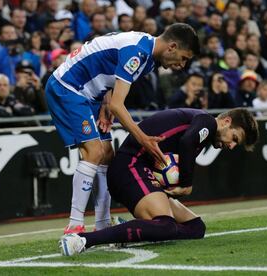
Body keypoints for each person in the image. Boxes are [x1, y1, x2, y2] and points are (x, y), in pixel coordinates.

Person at [45, 23, 200, 234]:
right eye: (183, 58)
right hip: (68, 87)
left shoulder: (148, 56)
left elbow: (109, 73)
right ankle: (74, 225)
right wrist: (143, 139)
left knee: (107, 154)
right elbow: (119, 106)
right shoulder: (138, 52)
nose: (182, 65)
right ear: (172, 46)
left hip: (92, 94)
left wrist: (105, 103)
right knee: (94, 151)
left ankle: (102, 224)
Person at [59, 107, 259, 256]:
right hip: (128, 166)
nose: (231, 146)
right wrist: (187, 184)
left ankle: (129, 229)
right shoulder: (207, 122)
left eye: (236, 144)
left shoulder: (201, 129)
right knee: (166, 226)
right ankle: (82, 240)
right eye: (234, 137)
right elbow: (187, 142)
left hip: (139, 170)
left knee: (196, 227)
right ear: (226, 121)